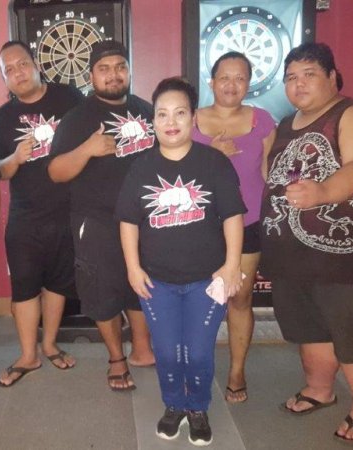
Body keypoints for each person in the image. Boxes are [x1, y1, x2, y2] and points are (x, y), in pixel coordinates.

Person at [260, 42, 353, 445]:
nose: (298, 84)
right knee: (311, 329)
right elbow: (274, 177)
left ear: (333, 78)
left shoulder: (352, 115)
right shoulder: (286, 125)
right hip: (294, 260)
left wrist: (323, 192)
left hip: (348, 260)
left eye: (309, 74)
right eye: (291, 77)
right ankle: (319, 389)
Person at [117, 77, 246, 447]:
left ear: (193, 118)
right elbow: (128, 221)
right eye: (162, 114)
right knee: (168, 351)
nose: (170, 121)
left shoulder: (214, 163)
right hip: (157, 281)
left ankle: (198, 407)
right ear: (153, 121)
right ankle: (174, 404)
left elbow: (232, 216)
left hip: (207, 280)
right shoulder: (140, 167)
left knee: (199, 351)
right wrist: (133, 268)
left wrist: (232, 265)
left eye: (179, 113)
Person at [48, 40, 155, 391]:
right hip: (97, 222)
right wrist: (87, 150)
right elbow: (56, 172)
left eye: (120, 66)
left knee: (141, 287)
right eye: (104, 69)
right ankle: (116, 359)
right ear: (91, 75)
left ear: (129, 70)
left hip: (144, 221)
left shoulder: (147, 110)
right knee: (102, 291)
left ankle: (142, 349)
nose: (114, 75)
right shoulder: (78, 118)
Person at [0, 41, 85, 386]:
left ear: (36, 65)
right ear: (5, 78)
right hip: (25, 216)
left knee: (58, 283)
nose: (18, 72)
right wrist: (15, 157)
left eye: (22, 64)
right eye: (9, 70)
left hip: (67, 210)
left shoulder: (69, 98)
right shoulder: (2, 118)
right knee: (26, 286)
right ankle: (28, 355)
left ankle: (49, 344)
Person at [192, 51, 277, 403]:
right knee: (198, 300)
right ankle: (196, 369)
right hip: (198, 225)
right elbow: (175, 173)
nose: (232, 84)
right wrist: (212, 155)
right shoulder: (191, 119)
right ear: (211, 81)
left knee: (239, 298)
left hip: (248, 222)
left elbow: (269, 173)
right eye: (224, 77)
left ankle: (236, 370)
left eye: (240, 78)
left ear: (249, 83)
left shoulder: (263, 121)